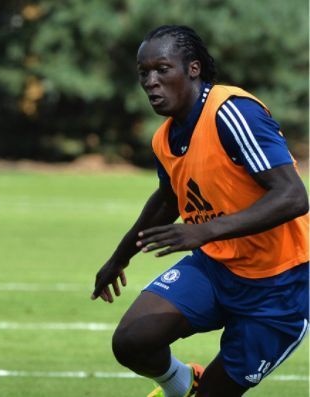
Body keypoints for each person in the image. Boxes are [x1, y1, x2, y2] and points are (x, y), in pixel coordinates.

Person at [91, 25, 308, 397]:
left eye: (162, 69)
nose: (151, 82)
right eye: (144, 73)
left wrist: (205, 231)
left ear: (193, 69)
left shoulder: (232, 112)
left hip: (279, 284)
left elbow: (292, 196)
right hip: (215, 267)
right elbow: (167, 200)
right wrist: (119, 257)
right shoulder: (165, 137)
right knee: (131, 341)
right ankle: (182, 384)